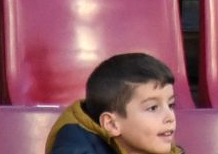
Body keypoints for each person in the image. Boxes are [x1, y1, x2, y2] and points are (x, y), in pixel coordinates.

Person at [50, 54, 179, 154]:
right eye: (153, 108)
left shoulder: (150, 147)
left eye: (170, 105)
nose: (170, 117)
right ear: (112, 124)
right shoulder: (77, 150)